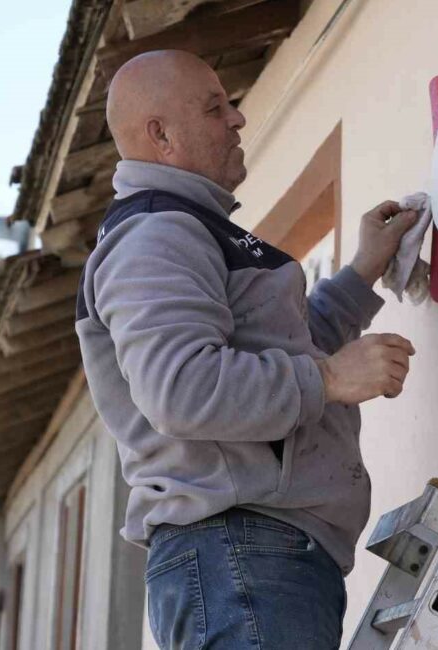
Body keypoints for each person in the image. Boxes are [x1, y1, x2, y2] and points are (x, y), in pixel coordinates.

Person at [75, 49, 419, 649]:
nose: (236, 119)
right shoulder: (156, 234)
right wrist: (330, 380)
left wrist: (363, 271)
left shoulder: (190, 229)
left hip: (255, 554)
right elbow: (182, 389)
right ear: (162, 135)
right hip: (240, 551)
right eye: (214, 108)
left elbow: (289, 343)